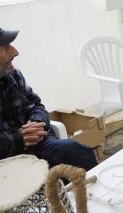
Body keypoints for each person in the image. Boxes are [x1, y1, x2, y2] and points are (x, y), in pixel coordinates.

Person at [0, 28, 98, 171]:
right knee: (43, 186)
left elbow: (36, 105)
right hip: (7, 162)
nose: (15, 52)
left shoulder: (13, 75)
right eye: (5, 47)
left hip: (37, 146)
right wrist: (20, 138)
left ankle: (91, 193)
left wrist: (37, 123)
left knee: (77, 152)